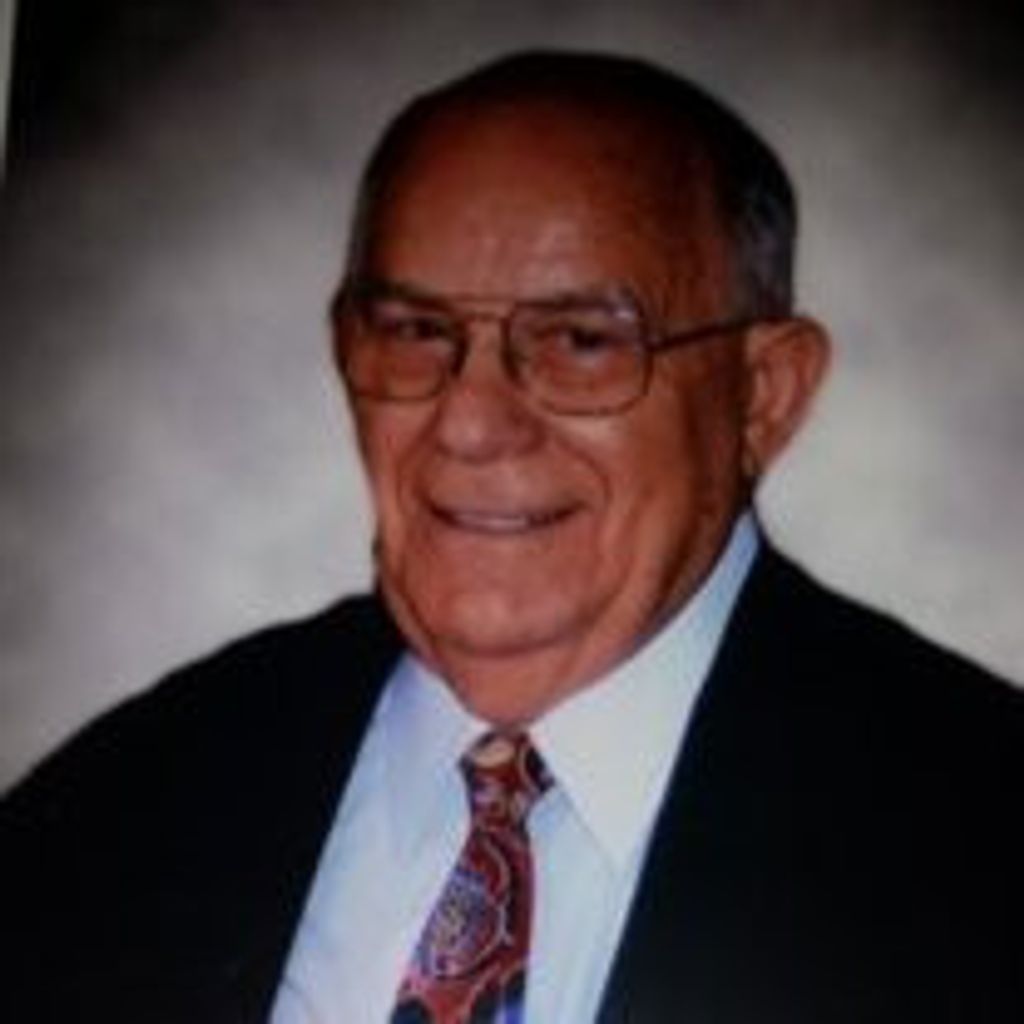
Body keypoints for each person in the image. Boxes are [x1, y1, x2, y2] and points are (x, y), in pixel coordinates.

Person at [3, 51, 1022, 1024]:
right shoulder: (125, 802)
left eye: (581, 341)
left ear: (763, 394)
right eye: (414, 331)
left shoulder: (979, 833)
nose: (469, 423)